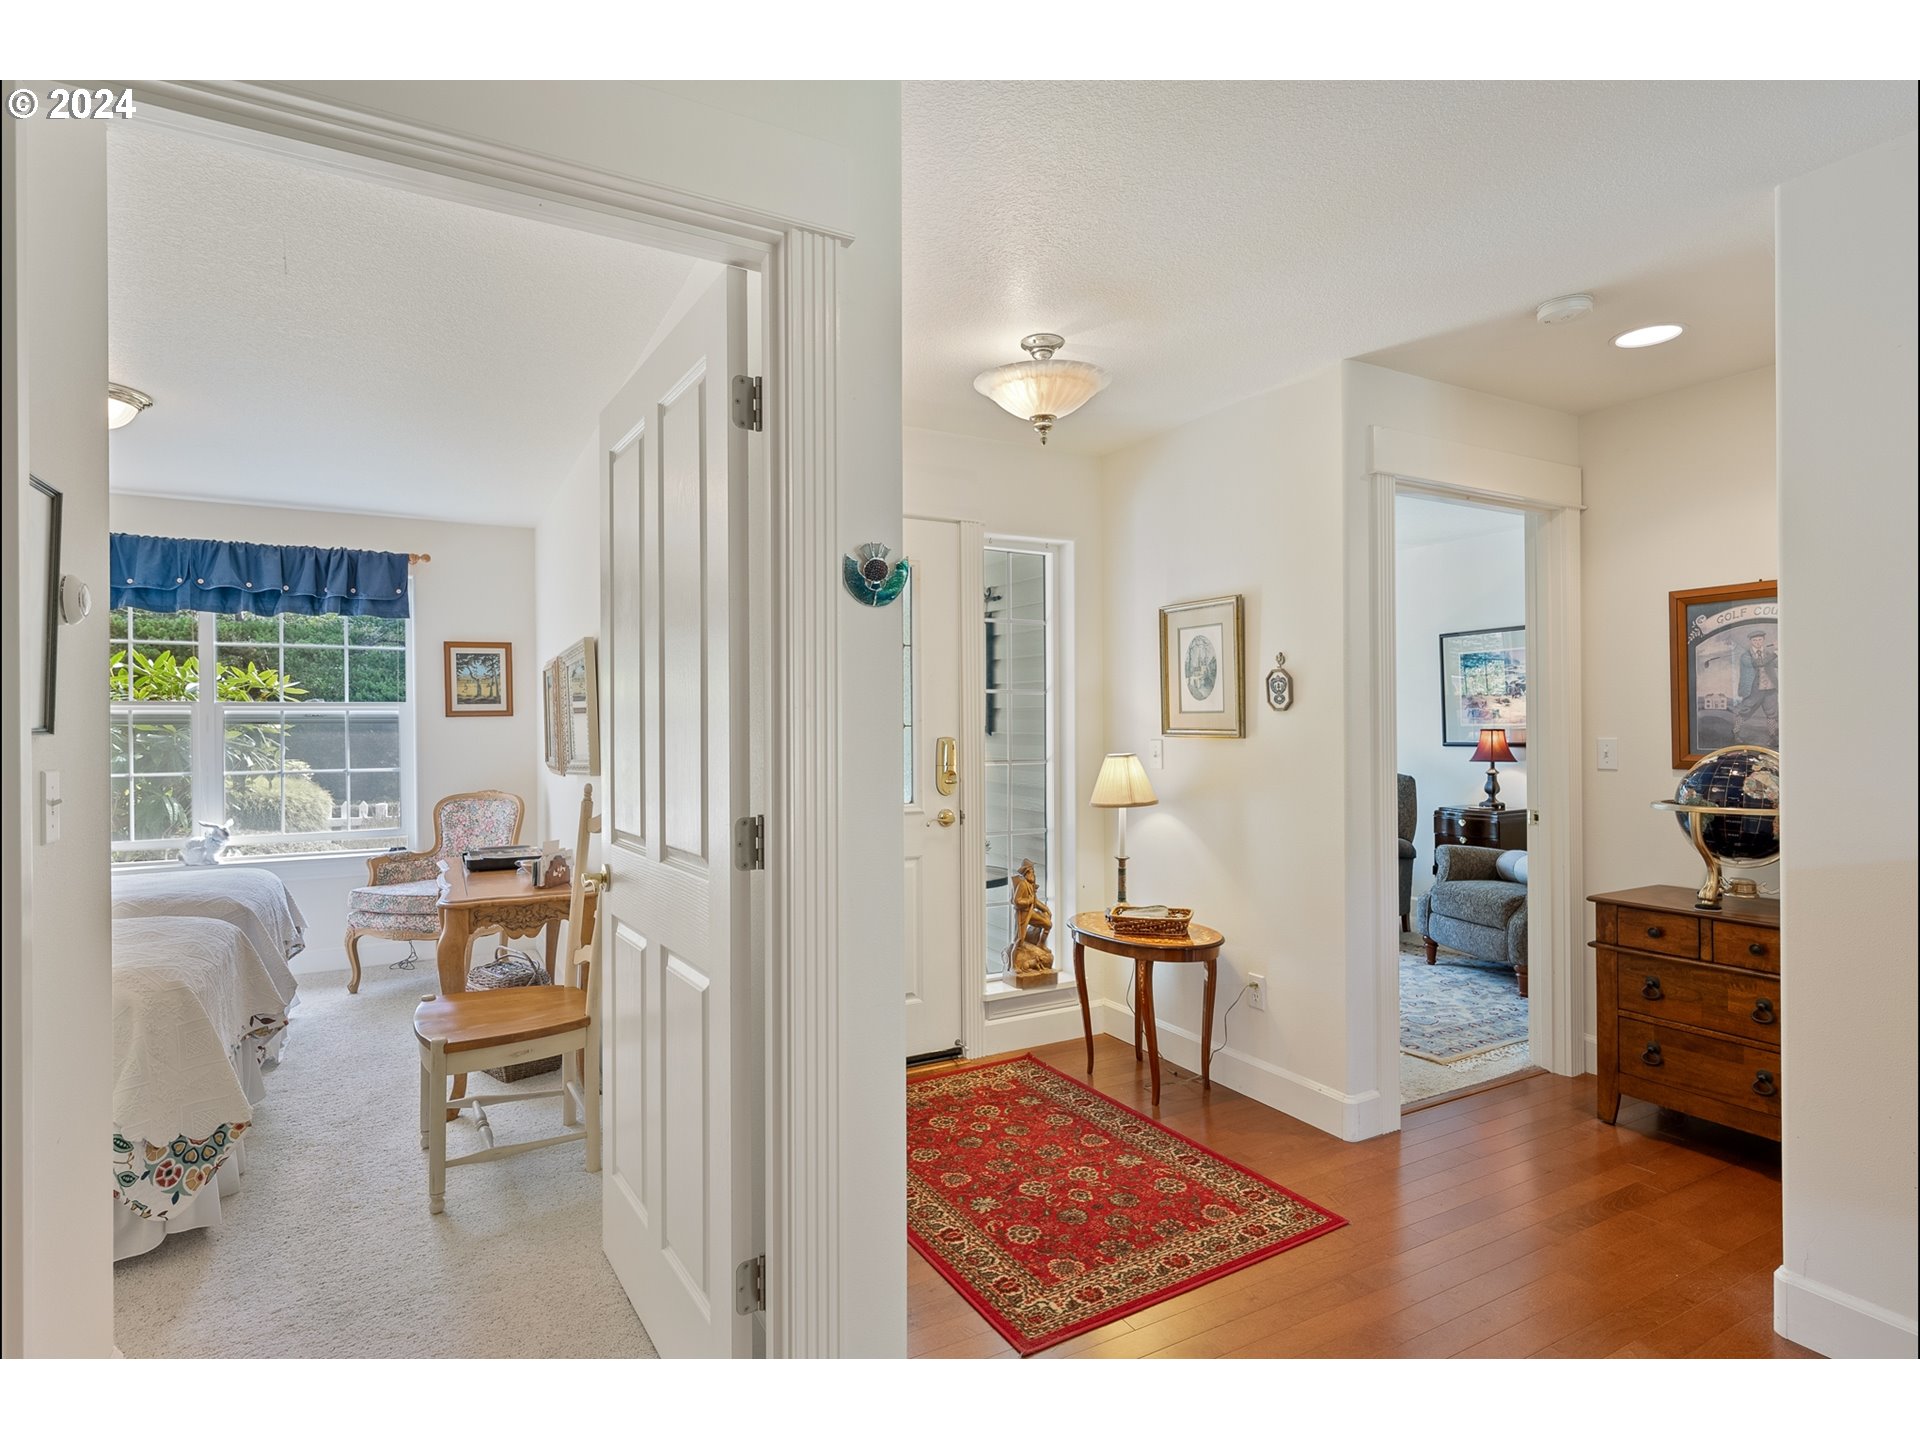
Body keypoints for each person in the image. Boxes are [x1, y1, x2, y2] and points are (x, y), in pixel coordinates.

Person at [1734, 629, 1779, 744]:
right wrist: (1775, 653)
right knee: (1744, 711)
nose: (1758, 642)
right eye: (1755, 640)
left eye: (1760, 640)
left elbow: (1778, 664)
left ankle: (1773, 736)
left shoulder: (1768, 653)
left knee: (1772, 714)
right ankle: (1735, 732)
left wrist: (1783, 652)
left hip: (1770, 689)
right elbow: (1758, 663)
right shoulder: (1745, 656)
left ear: (1763, 640)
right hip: (1754, 690)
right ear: (1751, 641)